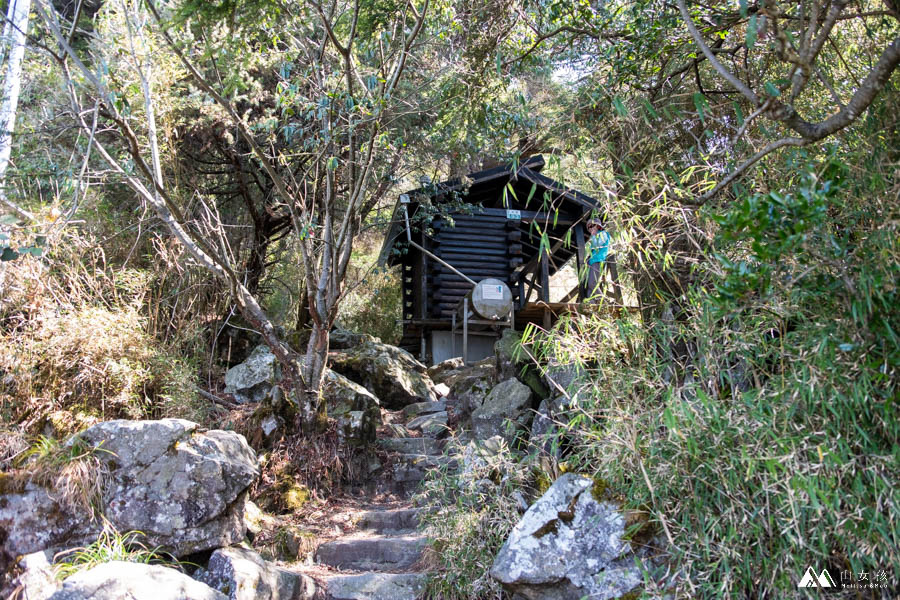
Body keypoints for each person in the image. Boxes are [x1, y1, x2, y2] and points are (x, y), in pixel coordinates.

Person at [584, 218, 610, 301]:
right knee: (589, 287)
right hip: (593, 261)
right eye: (589, 227)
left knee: (592, 284)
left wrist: (593, 236)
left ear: (598, 226)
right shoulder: (594, 236)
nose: (590, 228)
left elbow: (597, 244)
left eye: (592, 226)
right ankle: (591, 305)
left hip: (598, 260)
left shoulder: (603, 234)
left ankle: (604, 301)